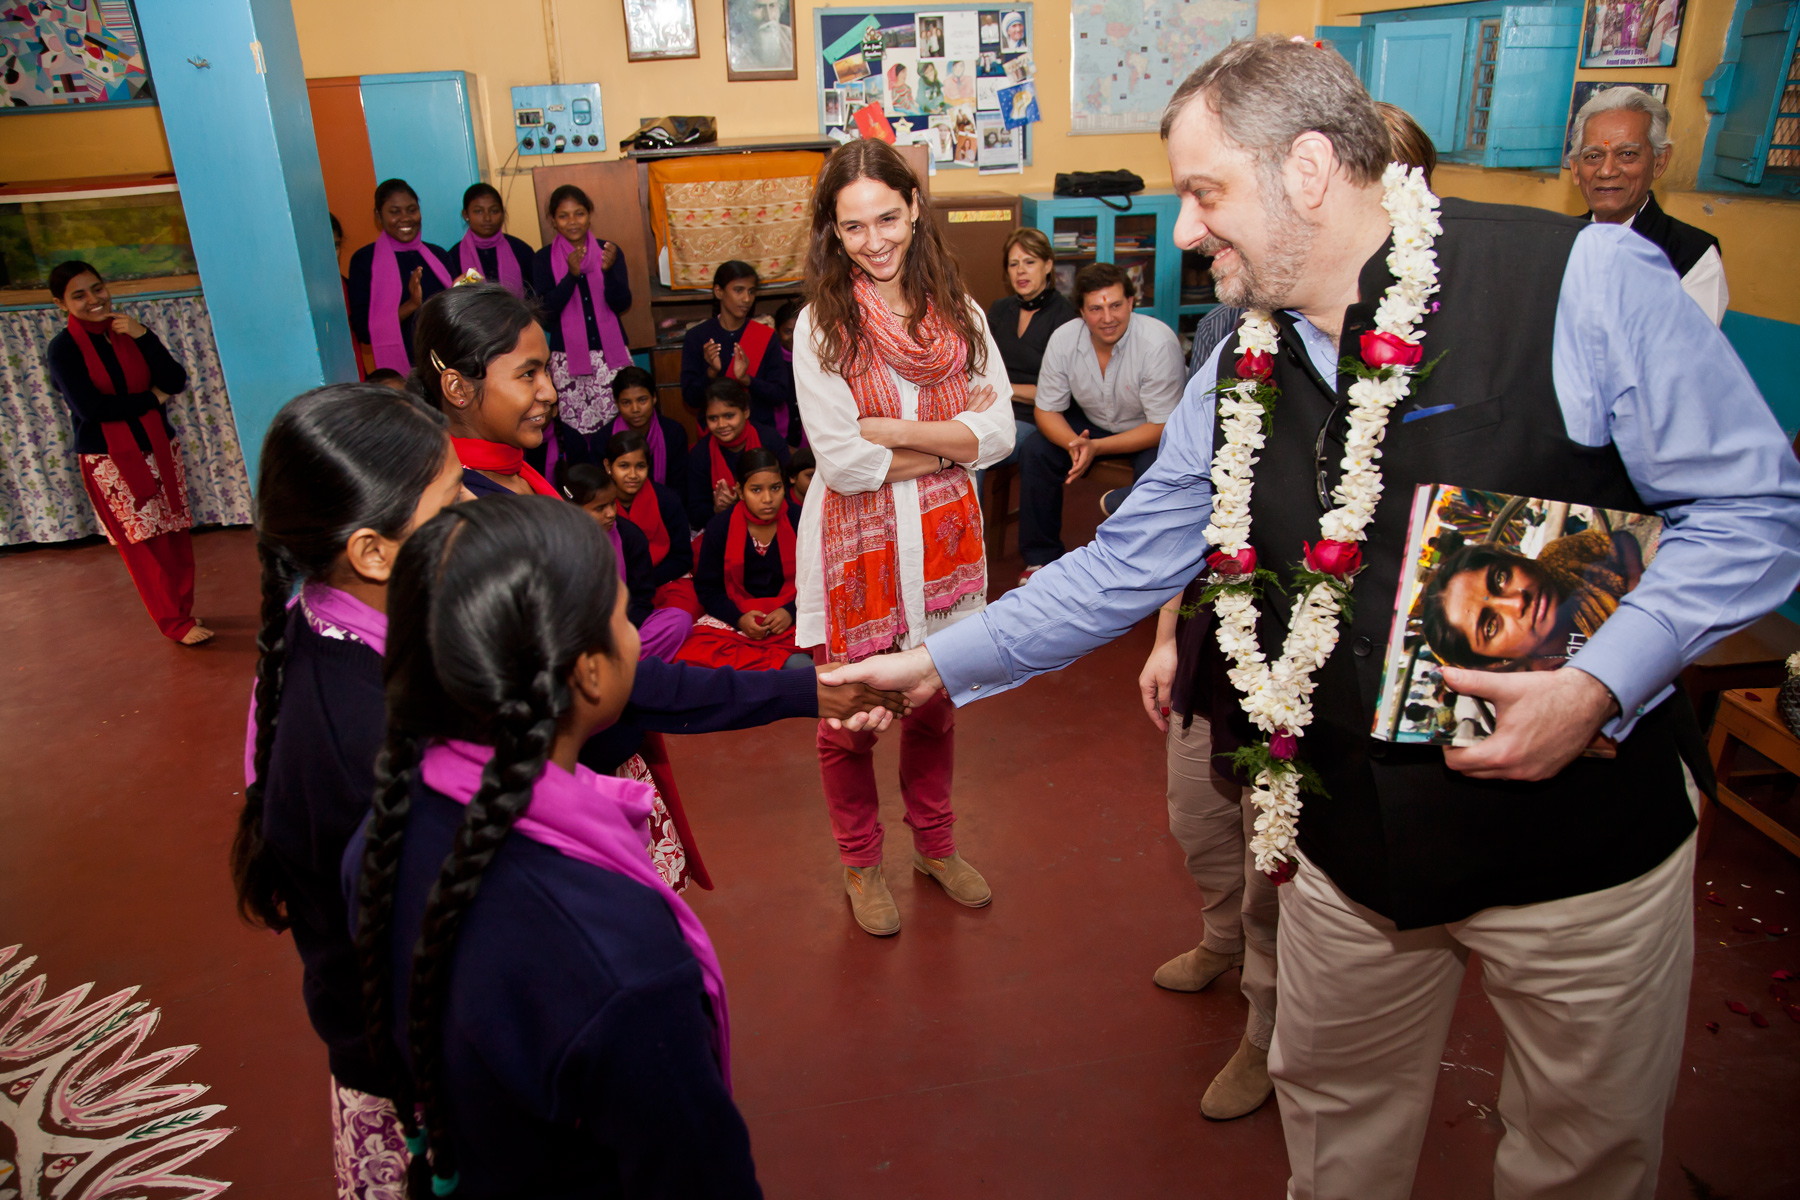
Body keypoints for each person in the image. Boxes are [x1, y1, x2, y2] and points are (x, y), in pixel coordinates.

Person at [822, 35, 1800, 1198]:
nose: (1186, 231)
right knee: (1335, 1133)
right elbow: (1124, 565)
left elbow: (1752, 511)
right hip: (1345, 851)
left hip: (1581, 854)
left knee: (1581, 1159)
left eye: (1204, 192)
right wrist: (937, 662)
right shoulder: (1239, 358)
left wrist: (1600, 681)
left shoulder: (1584, 283)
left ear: (1310, 168)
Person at [1140, 94, 1444, 1123]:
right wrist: (1165, 632)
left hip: (1330, 683)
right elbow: (1185, 509)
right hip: (1223, 635)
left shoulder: (1440, 335)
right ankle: (1221, 942)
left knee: (1285, 855)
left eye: (1206, 194)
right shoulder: (1238, 328)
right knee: (1201, 818)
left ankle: (1264, 1027)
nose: (1190, 234)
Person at [345, 494, 762, 1197]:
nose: (638, 638)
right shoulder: (622, 961)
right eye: (623, 617)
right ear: (589, 671)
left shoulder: (382, 833)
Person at [230, 383, 466, 1197]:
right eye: (451, 502)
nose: (475, 510)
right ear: (372, 552)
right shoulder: (369, 735)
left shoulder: (326, 629)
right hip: (421, 1068)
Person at [793, 139, 1016, 936]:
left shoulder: (962, 315)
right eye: (853, 226)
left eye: (887, 217)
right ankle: (861, 863)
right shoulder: (821, 326)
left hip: (943, 545)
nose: (875, 240)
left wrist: (891, 429)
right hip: (853, 553)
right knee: (848, 720)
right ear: (834, 231)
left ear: (916, 208)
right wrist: (950, 444)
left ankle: (935, 846)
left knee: (935, 707)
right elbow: (844, 463)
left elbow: (1000, 435)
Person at [45, 260, 209, 645]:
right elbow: (92, 409)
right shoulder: (63, 349)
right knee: (146, 546)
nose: (93, 299)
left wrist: (144, 335)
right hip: (110, 459)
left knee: (174, 535)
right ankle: (174, 623)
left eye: (97, 288)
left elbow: (175, 380)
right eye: (79, 295)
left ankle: (183, 612)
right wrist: (151, 400)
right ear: (61, 304)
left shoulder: (127, 330)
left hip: (159, 446)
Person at [1018, 261, 1183, 577]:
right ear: (1081, 311)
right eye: (1095, 309)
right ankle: (1041, 558)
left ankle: (1142, 567)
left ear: (1131, 303)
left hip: (1147, 428)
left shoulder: (1158, 342)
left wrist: (1098, 448)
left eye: (1116, 305)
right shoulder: (1064, 339)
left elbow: (1163, 425)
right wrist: (1074, 444)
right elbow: (1046, 410)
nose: (1107, 318)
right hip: (1090, 423)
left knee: (1158, 467)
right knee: (1036, 450)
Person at [1569, 85, 1727, 325]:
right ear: (1575, 169)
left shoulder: (1691, 255)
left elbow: (1688, 345)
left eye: (1627, 154)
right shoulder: (1558, 240)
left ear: (1659, 162)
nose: (1607, 171)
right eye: (1593, 156)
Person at [1420, 529, 1647, 669]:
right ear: (1495, 661)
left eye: (1501, 578)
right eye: (1490, 626)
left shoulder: (1557, 558)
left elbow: (1617, 540)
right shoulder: (1550, 693)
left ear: (1515, 559)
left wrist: (1635, 584)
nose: (1517, 602)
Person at [679, 448, 811, 672]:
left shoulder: (802, 520)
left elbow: (818, 582)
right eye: (756, 490)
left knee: (807, 665)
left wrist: (790, 612)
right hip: (736, 619)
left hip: (791, 619)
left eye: (775, 488)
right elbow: (708, 590)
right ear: (740, 491)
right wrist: (739, 619)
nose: (767, 499)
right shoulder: (719, 527)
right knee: (691, 659)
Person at [562, 460, 695, 662]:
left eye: (612, 503)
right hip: (575, 631)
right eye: (600, 508)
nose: (611, 514)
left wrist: (617, 632)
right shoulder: (554, 541)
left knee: (679, 621)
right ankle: (619, 664)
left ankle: (605, 665)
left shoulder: (630, 537)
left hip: (620, 627)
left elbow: (641, 599)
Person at [531, 184, 633, 435]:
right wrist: (571, 276)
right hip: (567, 359)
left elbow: (622, 303)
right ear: (553, 220)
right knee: (576, 433)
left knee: (620, 430)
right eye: (563, 216)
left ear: (589, 215)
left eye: (579, 213)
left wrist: (608, 272)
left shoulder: (608, 251)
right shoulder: (542, 258)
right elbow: (546, 313)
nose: (573, 222)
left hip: (611, 356)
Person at [987, 227, 1080, 449]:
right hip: (992, 409)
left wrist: (1003, 389)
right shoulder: (1000, 309)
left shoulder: (1065, 316)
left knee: (979, 449)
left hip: (1037, 417)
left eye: (1029, 262)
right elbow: (982, 367)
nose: (1021, 271)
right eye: (1013, 264)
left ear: (1048, 266)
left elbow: (1061, 392)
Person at [347, 179, 452, 373]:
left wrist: (464, 291)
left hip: (447, 365)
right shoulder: (364, 261)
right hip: (401, 375)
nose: (405, 218)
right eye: (395, 212)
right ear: (378, 216)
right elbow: (364, 332)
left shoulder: (438, 255)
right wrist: (411, 305)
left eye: (412, 210)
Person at [681, 262, 789, 431]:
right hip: (716, 434)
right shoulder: (697, 337)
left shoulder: (766, 336)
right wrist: (711, 372)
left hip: (758, 433)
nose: (747, 299)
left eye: (751, 291)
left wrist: (746, 379)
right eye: (739, 290)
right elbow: (691, 399)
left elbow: (779, 394)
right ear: (719, 291)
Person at [607, 430, 700, 616]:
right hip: (612, 585)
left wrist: (642, 582)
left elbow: (682, 558)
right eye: (624, 466)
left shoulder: (667, 500)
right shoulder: (599, 505)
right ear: (608, 467)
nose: (633, 474)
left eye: (640, 466)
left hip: (661, 580)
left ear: (648, 467)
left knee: (683, 614)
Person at [687, 378, 788, 528]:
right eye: (713, 418)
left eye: (729, 416)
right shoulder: (700, 453)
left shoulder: (770, 441)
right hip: (723, 530)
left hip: (774, 525)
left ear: (746, 411)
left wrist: (743, 502)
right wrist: (717, 509)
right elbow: (695, 513)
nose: (721, 425)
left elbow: (788, 494)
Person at [607, 364, 690, 497]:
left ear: (654, 398)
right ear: (617, 403)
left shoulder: (673, 433)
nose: (635, 409)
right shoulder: (603, 439)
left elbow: (680, 488)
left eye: (642, 400)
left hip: (664, 505)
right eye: (626, 402)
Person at [451, 183, 534, 298]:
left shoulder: (521, 250)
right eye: (478, 211)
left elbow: (535, 297)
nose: (487, 218)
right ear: (466, 214)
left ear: (502, 213)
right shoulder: (453, 257)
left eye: (494, 211)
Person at [727, 0, 793, 72]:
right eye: (759, 7)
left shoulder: (790, 37)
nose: (769, 17)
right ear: (743, 12)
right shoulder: (735, 49)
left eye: (772, 6)